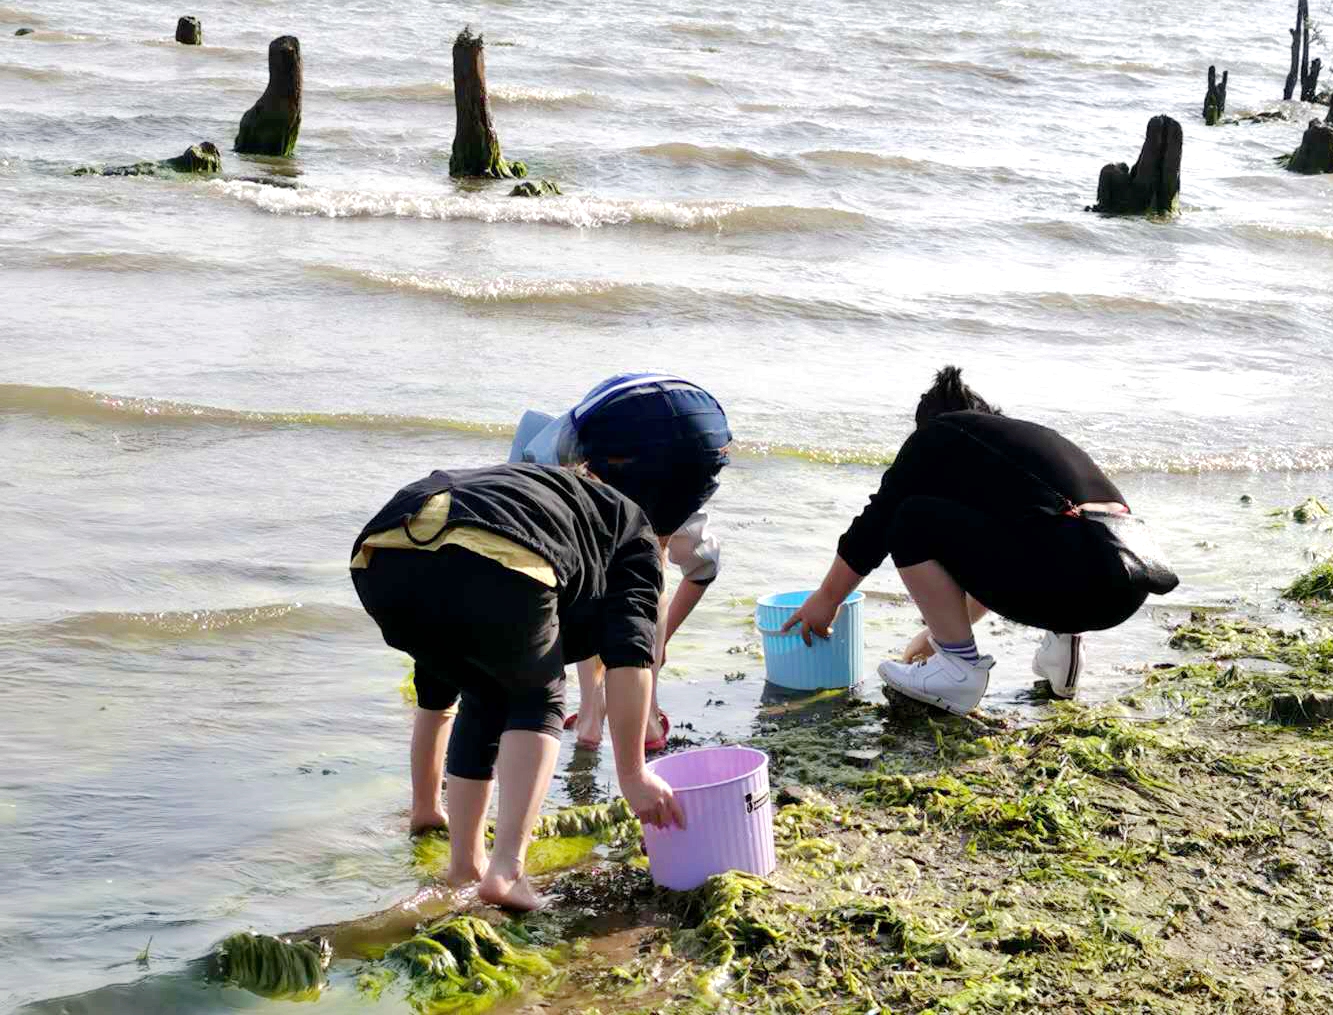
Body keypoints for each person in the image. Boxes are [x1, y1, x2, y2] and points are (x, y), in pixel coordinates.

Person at [350, 463, 689, 911]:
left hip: (382, 555)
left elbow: (435, 695)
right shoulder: (632, 529)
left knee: (484, 688)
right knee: (538, 695)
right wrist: (633, 773)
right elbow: (631, 653)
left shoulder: (533, 495)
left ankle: (465, 866)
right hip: (498, 552)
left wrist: (425, 809)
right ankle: (507, 871)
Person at [782, 367, 1177, 715]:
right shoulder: (1029, 444)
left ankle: (959, 671)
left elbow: (876, 523)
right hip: (1121, 589)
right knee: (1031, 530)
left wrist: (826, 599)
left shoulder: (938, 435)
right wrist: (937, 635)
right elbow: (997, 556)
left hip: (1067, 575)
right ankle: (1063, 650)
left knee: (912, 517)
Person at [509, 374, 731, 752]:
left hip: (660, 429)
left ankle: (592, 717)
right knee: (649, 558)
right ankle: (643, 717)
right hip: (709, 428)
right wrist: (649, 648)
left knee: (591, 569)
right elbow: (705, 567)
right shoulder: (663, 485)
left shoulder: (544, 464)